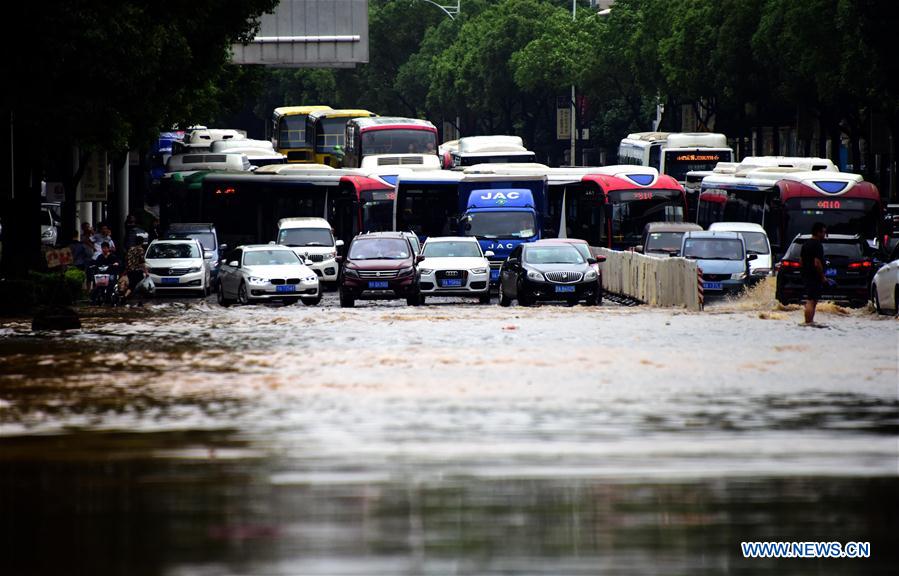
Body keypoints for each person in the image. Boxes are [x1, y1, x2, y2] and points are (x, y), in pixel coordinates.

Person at [800, 222, 829, 325]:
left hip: (807, 275)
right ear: (818, 232)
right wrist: (822, 277)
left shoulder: (805, 244)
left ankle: (809, 321)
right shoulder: (817, 245)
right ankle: (808, 322)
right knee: (811, 300)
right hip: (814, 276)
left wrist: (804, 272)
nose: (825, 235)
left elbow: (801, 261)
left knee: (811, 298)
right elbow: (817, 263)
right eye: (824, 232)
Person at [123, 232, 149, 305]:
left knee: (132, 284)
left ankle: (128, 297)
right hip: (137, 271)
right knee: (139, 285)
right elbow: (142, 263)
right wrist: (146, 272)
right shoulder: (140, 250)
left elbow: (126, 259)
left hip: (130, 270)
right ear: (142, 242)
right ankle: (126, 297)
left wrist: (126, 268)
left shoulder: (131, 249)